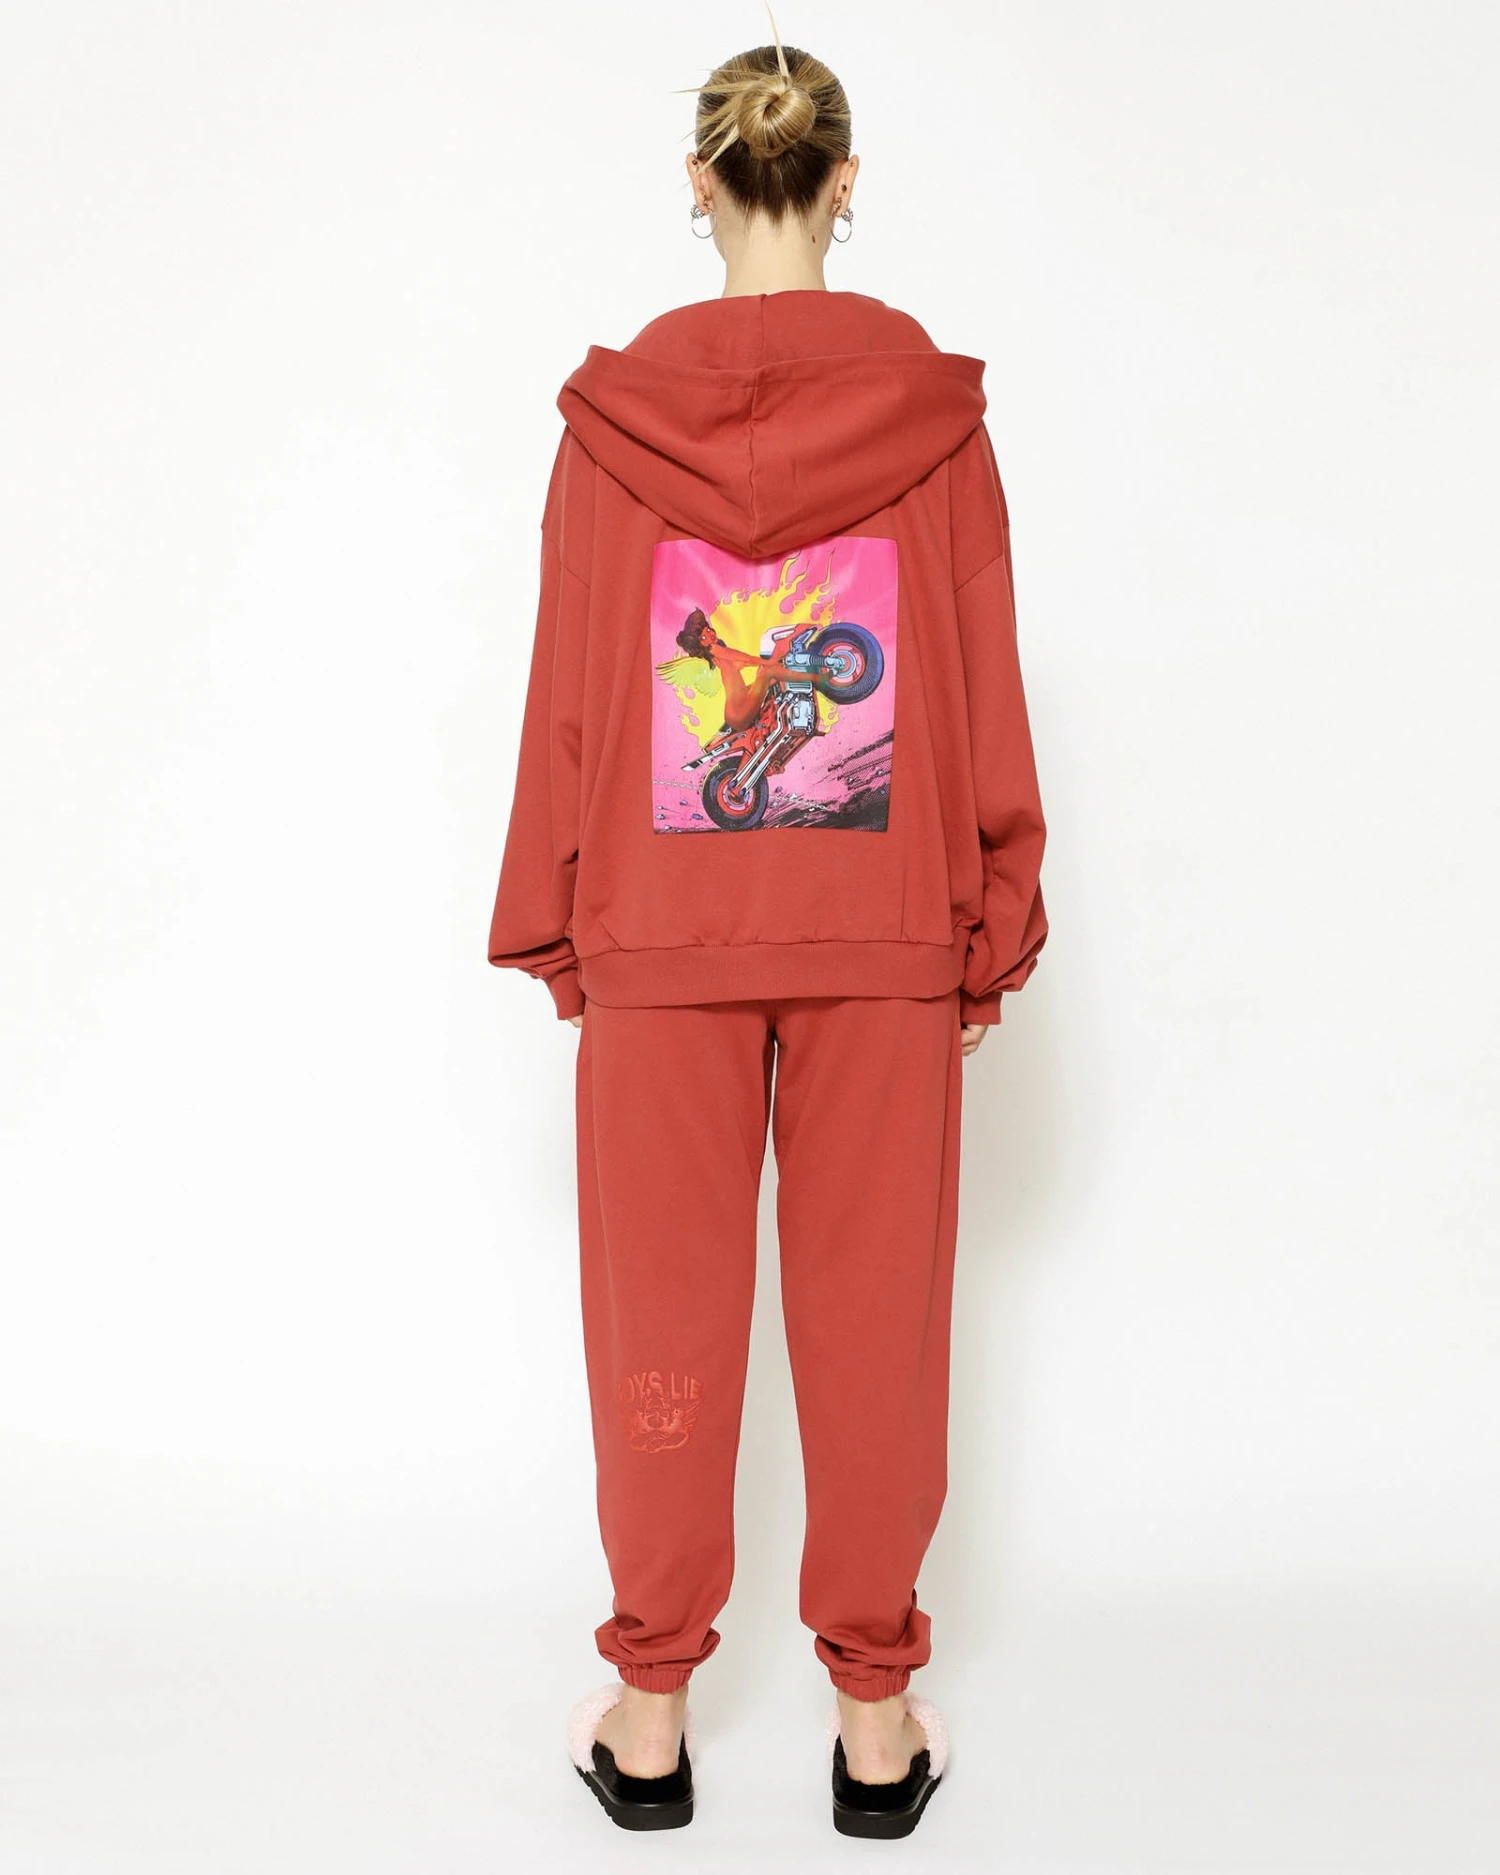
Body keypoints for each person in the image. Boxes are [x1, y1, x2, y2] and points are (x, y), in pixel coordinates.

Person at [487, 17, 1047, 1840]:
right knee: (878, 1318)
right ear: (845, 180)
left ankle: (650, 1708)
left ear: (702, 182)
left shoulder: (611, 434)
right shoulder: (934, 423)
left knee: (660, 1313)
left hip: (660, 930)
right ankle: (875, 1724)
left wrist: (558, 918)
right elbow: (980, 671)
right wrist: (990, 916)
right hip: (883, 929)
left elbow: (575, 693)